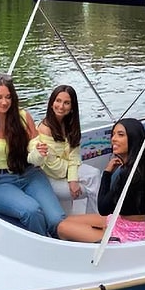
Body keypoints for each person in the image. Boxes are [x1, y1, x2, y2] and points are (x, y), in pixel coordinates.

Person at [0, 73, 66, 237]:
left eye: (8, 97)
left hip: (29, 174)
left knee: (57, 219)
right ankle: (45, 250)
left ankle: (62, 245)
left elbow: (33, 149)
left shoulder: (23, 117)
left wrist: (38, 152)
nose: (4, 102)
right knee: (32, 210)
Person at [57, 118, 145, 243]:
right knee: (68, 220)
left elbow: (103, 208)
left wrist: (107, 173)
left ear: (133, 139)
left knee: (62, 228)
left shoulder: (128, 174)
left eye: (120, 135)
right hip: (121, 221)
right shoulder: (141, 167)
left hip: (130, 234)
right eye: (113, 134)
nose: (113, 139)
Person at [28, 85, 101, 214]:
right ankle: (97, 217)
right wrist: (73, 177)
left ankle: (93, 217)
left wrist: (73, 178)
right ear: (51, 103)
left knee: (93, 176)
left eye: (66, 103)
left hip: (65, 170)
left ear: (72, 107)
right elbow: (53, 167)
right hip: (51, 176)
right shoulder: (45, 129)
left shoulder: (70, 126)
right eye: (58, 101)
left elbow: (74, 155)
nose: (61, 106)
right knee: (93, 176)